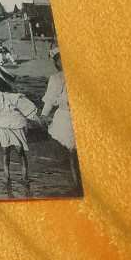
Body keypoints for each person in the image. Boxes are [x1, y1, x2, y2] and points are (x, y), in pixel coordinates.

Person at [0, 56, 39, 185]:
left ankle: (24, 176)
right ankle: (6, 175)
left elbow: (27, 109)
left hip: (16, 125)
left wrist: (38, 119)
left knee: (20, 150)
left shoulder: (14, 97)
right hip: (3, 126)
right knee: (5, 150)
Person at [40, 47, 80, 187]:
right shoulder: (56, 79)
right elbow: (50, 98)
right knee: (72, 151)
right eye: (59, 61)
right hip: (65, 117)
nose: (62, 63)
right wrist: (44, 114)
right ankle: (76, 184)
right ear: (56, 63)